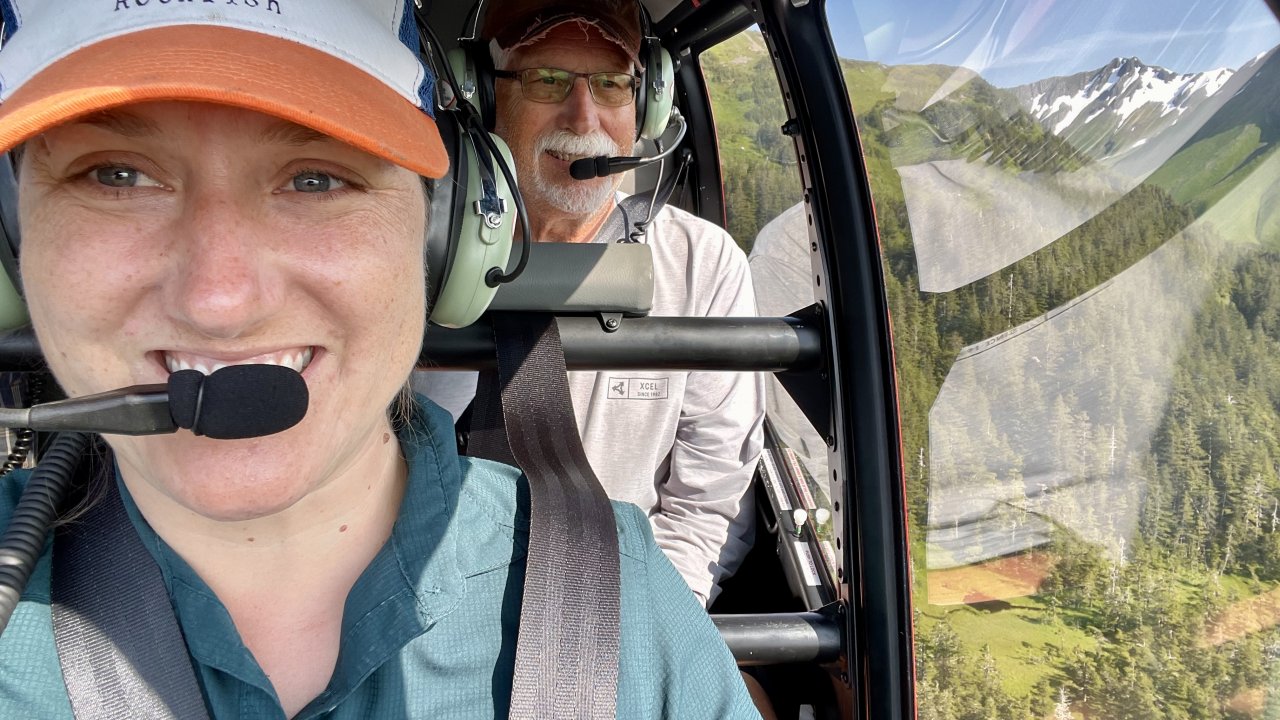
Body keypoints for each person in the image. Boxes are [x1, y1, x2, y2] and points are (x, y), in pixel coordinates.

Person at [0, 2, 761, 718]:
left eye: (317, 178)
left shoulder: (624, 609)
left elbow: (710, 488)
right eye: (116, 174)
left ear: (442, 231)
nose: (219, 300)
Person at [417, 0, 766, 607]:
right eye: (547, 79)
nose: (583, 117)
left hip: (626, 603)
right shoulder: (411, 252)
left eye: (610, 84)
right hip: (430, 599)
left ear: (647, 103)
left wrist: (649, 629)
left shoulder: (703, 265)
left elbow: (707, 505)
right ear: (483, 96)